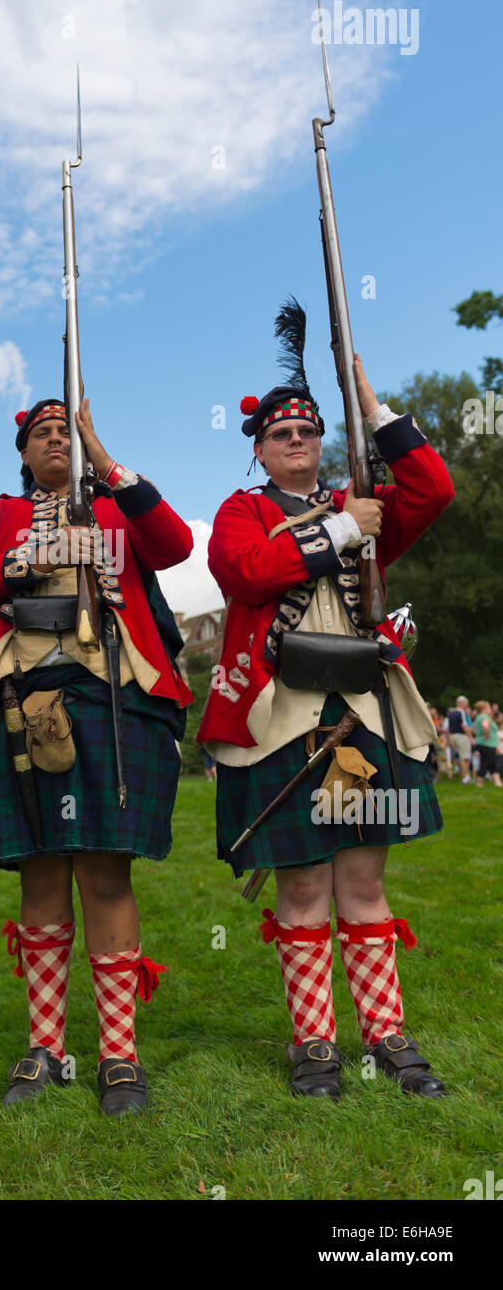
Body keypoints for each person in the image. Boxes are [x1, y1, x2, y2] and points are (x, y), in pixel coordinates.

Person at [198, 299, 454, 1101]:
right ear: (261, 452)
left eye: (308, 431)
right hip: (279, 717)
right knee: (302, 887)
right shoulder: (243, 513)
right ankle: (314, 1044)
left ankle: (384, 1035)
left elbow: (433, 487)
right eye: (281, 435)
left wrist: (373, 409)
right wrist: (342, 530)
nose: (297, 442)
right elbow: (245, 573)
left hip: (361, 711)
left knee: (363, 884)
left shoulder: (363, 500)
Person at [0, 397, 193, 1114]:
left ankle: (118, 1053)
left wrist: (107, 461)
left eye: (66, 433)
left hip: (113, 694)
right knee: (40, 874)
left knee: (106, 872)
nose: (56, 441)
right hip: (20, 694)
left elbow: (174, 544)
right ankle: (46, 1049)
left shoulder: (115, 506)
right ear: (23, 453)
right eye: (43, 435)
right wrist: (36, 556)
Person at [445, 697, 474, 783]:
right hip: (461, 736)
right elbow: (464, 726)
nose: (468, 705)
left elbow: (448, 728)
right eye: (467, 703)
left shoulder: (451, 713)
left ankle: (464, 776)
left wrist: (450, 740)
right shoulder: (461, 712)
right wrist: (471, 738)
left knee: (460, 757)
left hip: (453, 736)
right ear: (463, 704)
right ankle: (465, 778)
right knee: (465, 757)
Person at [473, 702, 501, 787]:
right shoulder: (484, 717)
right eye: (489, 707)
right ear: (484, 709)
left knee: (493, 763)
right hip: (487, 744)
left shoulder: (478, 717)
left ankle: (497, 782)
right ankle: (479, 783)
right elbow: (485, 726)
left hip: (485, 744)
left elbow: (473, 729)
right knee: (486, 763)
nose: (490, 709)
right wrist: (487, 735)